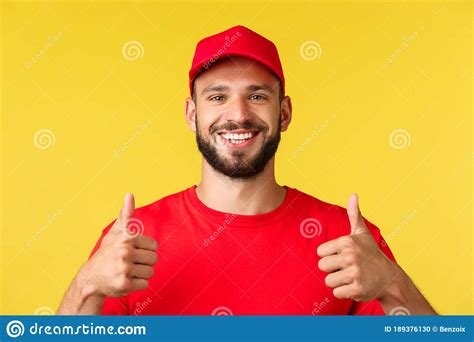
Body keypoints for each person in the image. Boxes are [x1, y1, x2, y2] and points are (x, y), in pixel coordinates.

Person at [57, 25, 436, 315]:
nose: (238, 114)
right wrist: (88, 285)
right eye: (217, 97)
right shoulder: (131, 239)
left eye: (256, 96)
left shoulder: (347, 240)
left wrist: (392, 283)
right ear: (192, 115)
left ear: (283, 113)